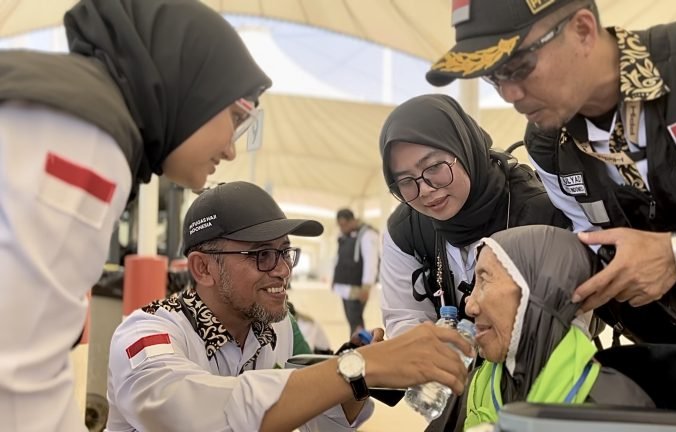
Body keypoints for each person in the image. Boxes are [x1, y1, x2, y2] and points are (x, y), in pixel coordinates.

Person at [0, 1, 274, 430]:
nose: (231, 148)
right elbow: (17, 372)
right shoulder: (90, 135)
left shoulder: (59, 100)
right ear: (193, 83)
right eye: (237, 117)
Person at [425, 0, 676, 344]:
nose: (509, 94)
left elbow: (666, 254)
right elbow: (593, 247)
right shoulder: (548, 146)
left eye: (518, 66)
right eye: (493, 77)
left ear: (583, 30)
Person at [106, 181, 474, 432]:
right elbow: (202, 415)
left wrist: (358, 377)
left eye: (284, 252)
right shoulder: (146, 335)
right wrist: (358, 367)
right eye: (262, 255)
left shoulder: (275, 327)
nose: (282, 270)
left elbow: (321, 423)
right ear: (203, 268)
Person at [378, 94, 571, 337]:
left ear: (464, 148)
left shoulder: (540, 213)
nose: (425, 189)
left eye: (435, 167)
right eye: (405, 180)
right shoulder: (405, 231)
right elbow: (405, 318)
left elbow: (569, 319)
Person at [429, 225, 654, 431]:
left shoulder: (612, 407)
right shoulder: (476, 385)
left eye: (484, 280)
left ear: (537, 291)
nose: (469, 305)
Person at [332, 208, 379, 336]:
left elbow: (371, 261)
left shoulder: (367, 234)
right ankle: (357, 347)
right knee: (353, 321)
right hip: (344, 286)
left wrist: (367, 286)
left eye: (344, 224)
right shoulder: (344, 236)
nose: (342, 228)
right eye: (340, 225)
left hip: (358, 288)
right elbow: (338, 259)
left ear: (353, 221)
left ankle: (359, 349)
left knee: (355, 321)